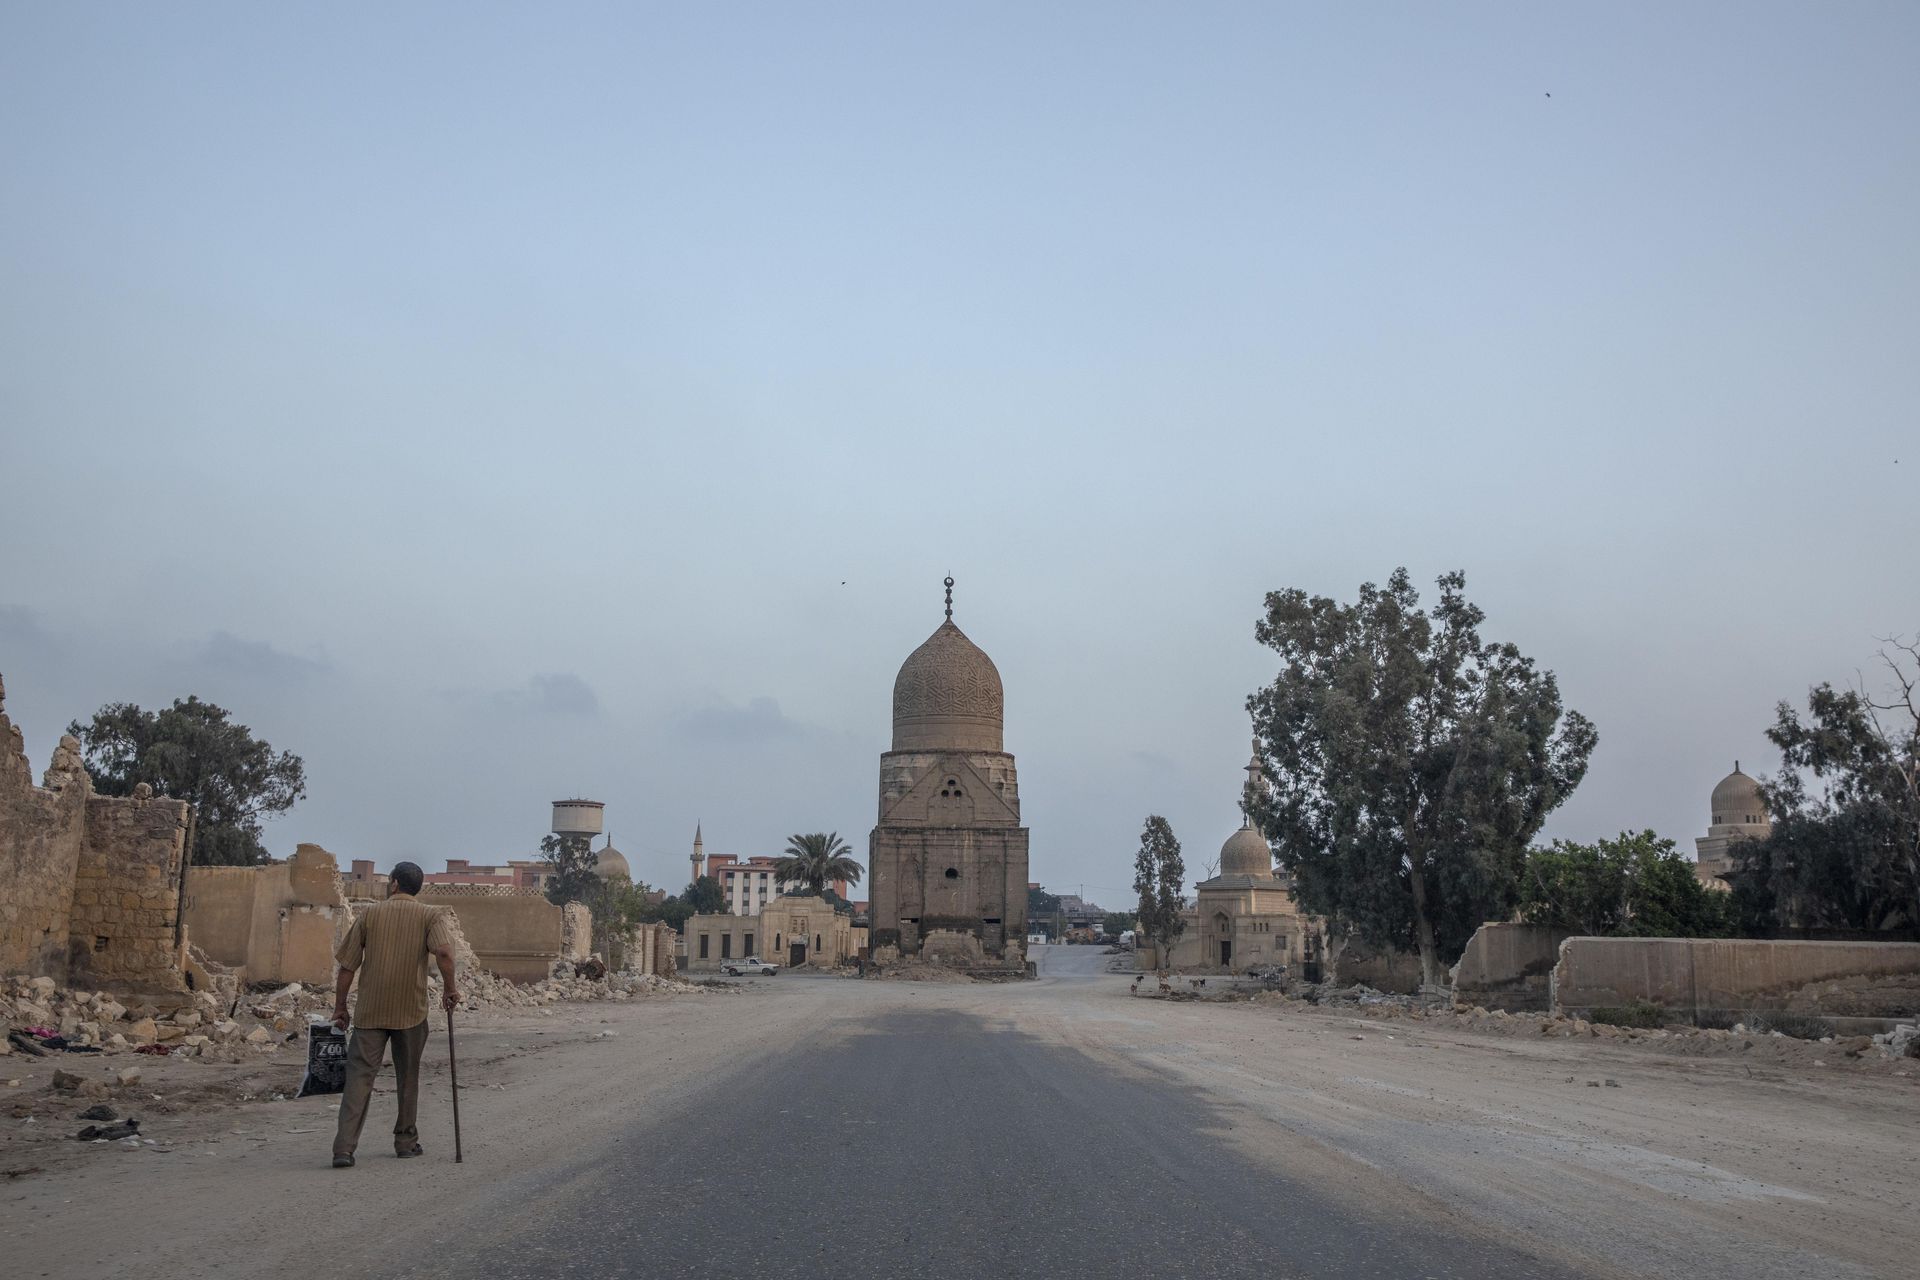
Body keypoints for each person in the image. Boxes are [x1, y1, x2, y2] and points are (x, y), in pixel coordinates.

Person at [329, 861, 459, 1168]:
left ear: (396, 884)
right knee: (408, 1077)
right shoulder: (430, 915)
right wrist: (449, 988)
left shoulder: (369, 915)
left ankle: (344, 1148)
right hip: (410, 1010)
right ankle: (405, 1141)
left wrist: (340, 1005)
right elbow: (443, 952)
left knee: (359, 1077)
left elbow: (348, 966)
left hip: (370, 1011)